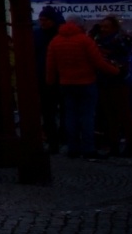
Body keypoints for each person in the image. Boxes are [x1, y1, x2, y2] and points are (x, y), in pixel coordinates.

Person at [46, 16, 118, 159]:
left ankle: (73, 148)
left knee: (70, 116)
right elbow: (98, 62)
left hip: (66, 83)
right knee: (87, 116)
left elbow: (50, 65)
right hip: (86, 82)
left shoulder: (55, 41)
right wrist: (115, 71)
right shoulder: (85, 40)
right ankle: (88, 148)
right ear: (80, 25)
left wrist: (50, 82)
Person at [92, 16, 132, 158]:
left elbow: (123, 57)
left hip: (118, 80)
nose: (104, 29)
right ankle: (114, 145)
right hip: (104, 80)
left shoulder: (120, 40)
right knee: (110, 114)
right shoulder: (98, 39)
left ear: (114, 27)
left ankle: (131, 145)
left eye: (107, 26)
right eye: (102, 26)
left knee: (124, 113)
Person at [34, 7, 65, 154]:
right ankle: (53, 141)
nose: (42, 22)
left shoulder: (60, 35)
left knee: (62, 111)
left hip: (61, 77)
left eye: (44, 20)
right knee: (48, 112)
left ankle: (62, 138)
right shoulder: (37, 35)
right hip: (44, 77)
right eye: (40, 19)